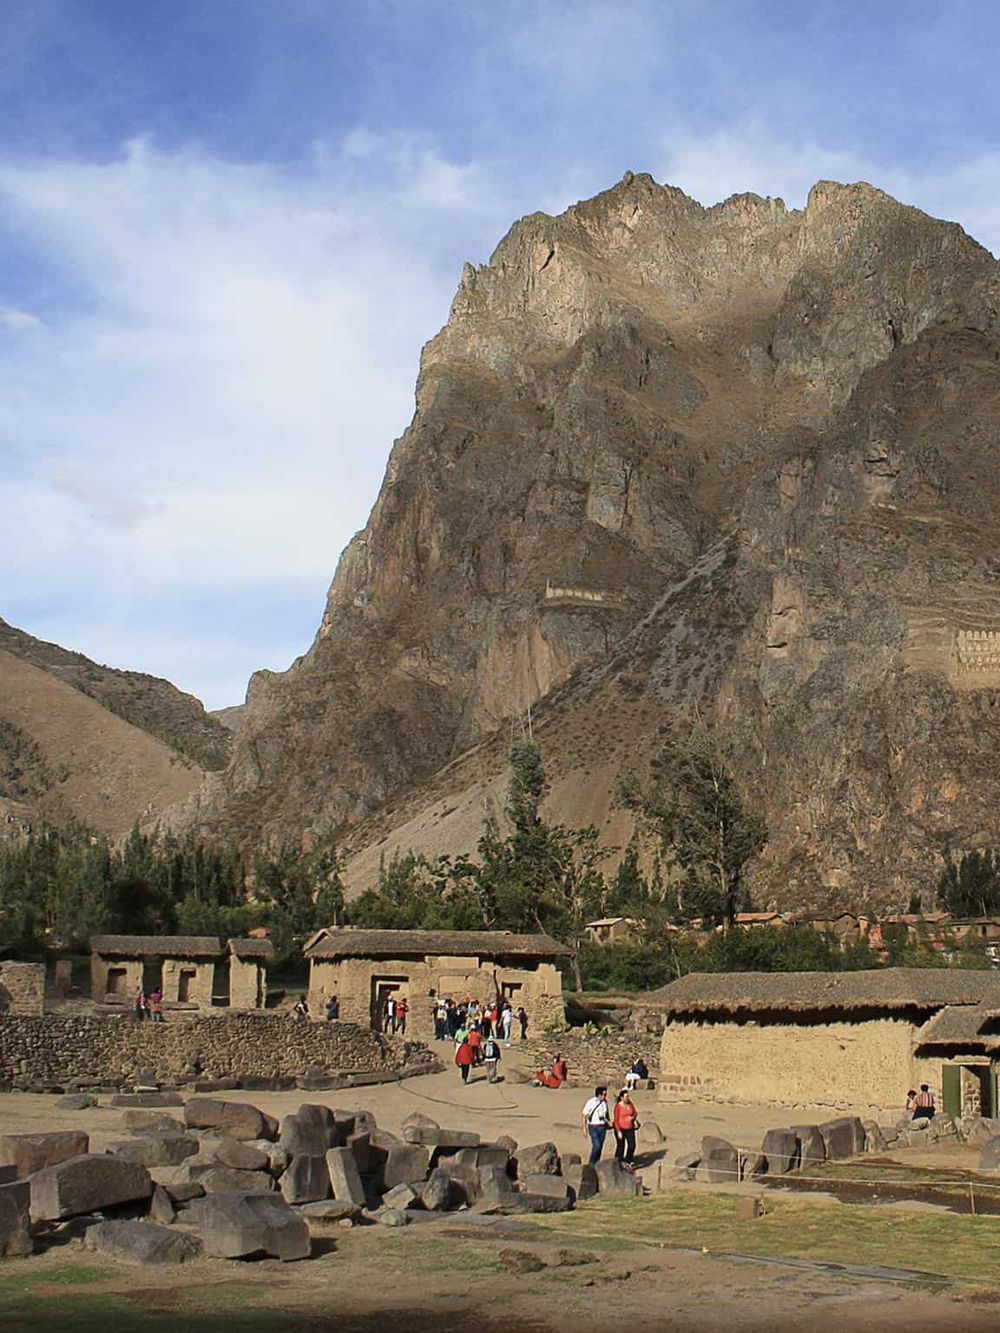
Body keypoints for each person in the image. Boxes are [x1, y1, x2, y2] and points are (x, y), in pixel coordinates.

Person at [582, 1085, 612, 1164]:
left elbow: (606, 1114)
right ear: (599, 1095)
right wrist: (584, 1128)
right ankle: (591, 1163)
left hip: (602, 1127)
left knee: (600, 1147)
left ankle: (597, 1163)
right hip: (593, 1127)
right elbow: (584, 1114)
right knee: (597, 1146)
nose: (605, 1096)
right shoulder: (591, 1102)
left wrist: (608, 1122)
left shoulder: (605, 1102)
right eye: (604, 1094)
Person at [613, 1089, 640, 1167]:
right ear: (621, 1098)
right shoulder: (618, 1106)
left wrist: (632, 1118)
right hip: (620, 1128)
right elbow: (616, 1119)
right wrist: (618, 1131)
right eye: (626, 1096)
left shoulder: (630, 1104)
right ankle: (618, 1162)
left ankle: (628, 1160)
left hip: (630, 1128)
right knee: (621, 1146)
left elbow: (635, 1113)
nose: (627, 1098)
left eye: (628, 1096)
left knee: (632, 1145)